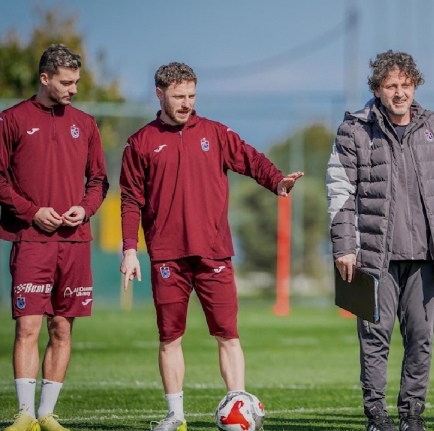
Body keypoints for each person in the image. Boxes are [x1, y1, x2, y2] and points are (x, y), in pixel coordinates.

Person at [119, 62, 303, 431]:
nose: (186, 103)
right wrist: (129, 249)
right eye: (178, 96)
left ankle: (239, 406)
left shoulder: (215, 133)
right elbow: (130, 199)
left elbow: (250, 158)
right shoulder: (141, 142)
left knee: (228, 335)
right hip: (167, 255)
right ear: (159, 94)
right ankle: (175, 416)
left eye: (191, 95)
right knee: (170, 337)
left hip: (214, 252)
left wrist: (276, 181)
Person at [326, 50, 434, 431]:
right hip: (373, 257)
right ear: (377, 89)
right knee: (374, 339)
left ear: (415, 86)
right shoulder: (354, 130)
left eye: (406, 84)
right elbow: (340, 191)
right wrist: (344, 247)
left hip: (426, 257)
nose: (400, 92)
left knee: (421, 338)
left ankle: (412, 415)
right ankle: (377, 416)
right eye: (391, 85)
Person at [0, 44, 109, 431]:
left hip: (75, 242)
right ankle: (24, 414)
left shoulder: (86, 123)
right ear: (44, 78)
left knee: (62, 328)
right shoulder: (11, 120)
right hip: (31, 240)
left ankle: (46, 414)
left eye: (76, 82)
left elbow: (99, 180)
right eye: (66, 82)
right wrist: (32, 212)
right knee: (27, 327)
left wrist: (85, 209)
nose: (73, 89)